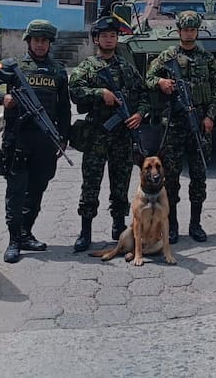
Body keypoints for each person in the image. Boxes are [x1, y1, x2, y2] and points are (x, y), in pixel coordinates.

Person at [0, 19, 71, 264]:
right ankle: (13, 240)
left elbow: (63, 109)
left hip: (46, 142)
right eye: (36, 40)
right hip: (18, 139)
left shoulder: (58, 71)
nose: (40, 45)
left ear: (50, 43)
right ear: (28, 41)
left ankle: (26, 233)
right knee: (16, 191)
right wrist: (2, 98)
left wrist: (64, 137)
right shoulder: (13, 66)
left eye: (45, 41)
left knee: (38, 188)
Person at [68, 15, 147, 253]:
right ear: (96, 39)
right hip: (97, 135)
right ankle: (85, 231)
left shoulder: (126, 67)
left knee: (120, 183)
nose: (109, 40)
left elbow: (143, 93)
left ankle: (118, 225)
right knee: (91, 184)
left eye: (113, 36)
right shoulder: (88, 67)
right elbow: (75, 92)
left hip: (122, 136)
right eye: (104, 36)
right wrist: (99, 92)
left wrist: (140, 114)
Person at [144, 10, 216, 243]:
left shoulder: (206, 59)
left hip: (199, 122)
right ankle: (172, 224)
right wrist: (161, 81)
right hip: (175, 125)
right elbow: (148, 79)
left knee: (198, 177)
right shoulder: (167, 56)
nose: (189, 33)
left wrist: (210, 117)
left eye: (192, 29)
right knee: (172, 178)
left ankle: (196, 224)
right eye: (185, 30)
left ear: (197, 31)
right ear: (178, 32)